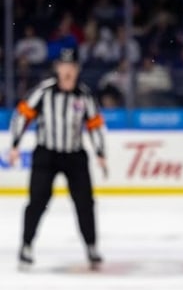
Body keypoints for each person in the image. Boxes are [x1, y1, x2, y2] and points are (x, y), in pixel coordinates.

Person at [9, 47, 108, 271]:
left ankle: (91, 247)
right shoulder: (43, 92)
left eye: (71, 66)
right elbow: (22, 115)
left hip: (74, 155)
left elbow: (94, 126)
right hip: (47, 154)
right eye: (63, 66)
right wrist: (15, 144)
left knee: (85, 203)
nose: (67, 71)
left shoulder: (84, 95)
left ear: (77, 69)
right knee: (37, 202)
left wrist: (101, 153)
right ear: (57, 68)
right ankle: (26, 246)